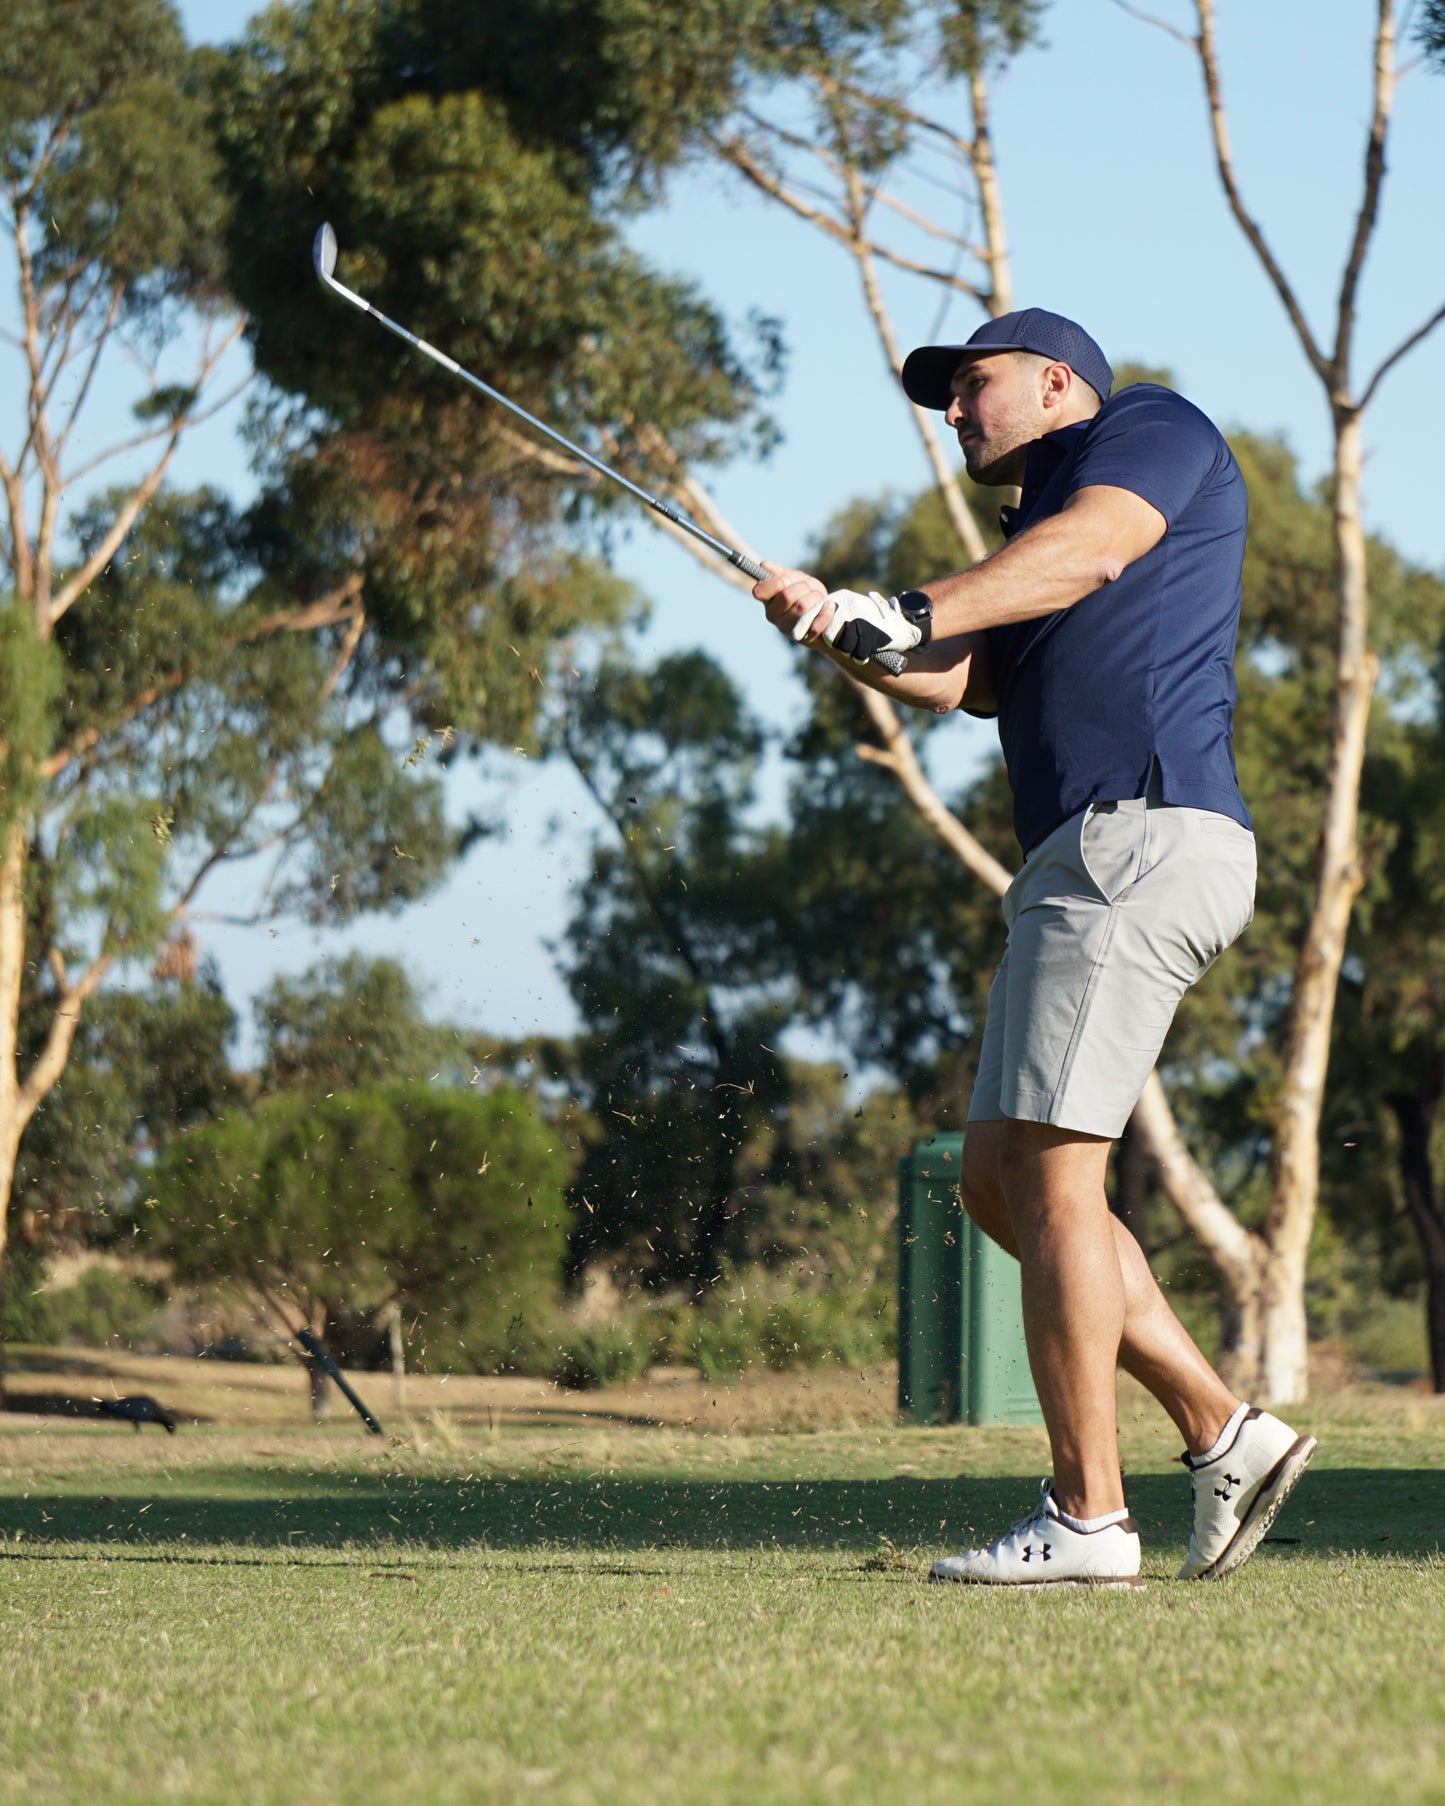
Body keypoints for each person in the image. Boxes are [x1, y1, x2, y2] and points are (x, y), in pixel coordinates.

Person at [752, 309, 1315, 1586]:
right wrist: (837, 631)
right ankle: (1221, 1431)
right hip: (1075, 859)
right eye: (945, 395)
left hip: (1138, 837)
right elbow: (968, 680)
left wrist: (901, 604)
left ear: (1058, 381)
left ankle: (1086, 1516)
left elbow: (1096, 551)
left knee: (1058, 1182)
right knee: (998, 1181)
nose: (954, 409)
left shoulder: (1145, 433)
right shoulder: (1027, 535)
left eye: (974, 385)